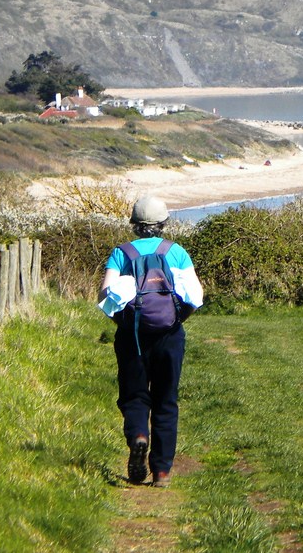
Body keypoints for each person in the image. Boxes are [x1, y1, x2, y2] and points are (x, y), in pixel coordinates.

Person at [98, 195, 203, 487]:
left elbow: (105, 296)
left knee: (133, 395)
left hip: (132, 336)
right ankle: (162, 472)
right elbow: (194, 296)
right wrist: (177, 321)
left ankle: (138, 436)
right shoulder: (176, 252)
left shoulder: (122, 253)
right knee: (166, 400)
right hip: (170, 336)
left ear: (134, 224)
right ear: (163, 223)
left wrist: (123, 323)